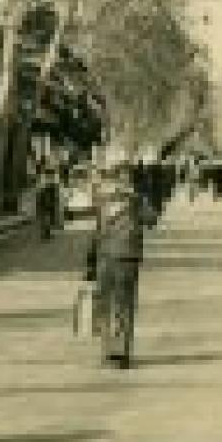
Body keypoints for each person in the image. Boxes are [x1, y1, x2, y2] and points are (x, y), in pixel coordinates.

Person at [85, 144, 154, 367]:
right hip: (128, 255)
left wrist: (90, 260)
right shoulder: (136, 199)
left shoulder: (102, 199)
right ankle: (121, 353)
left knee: (105, 302)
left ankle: (107, 352)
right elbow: (151, 219)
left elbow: (97, 230)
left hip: (106, 255)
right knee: (125, 303)